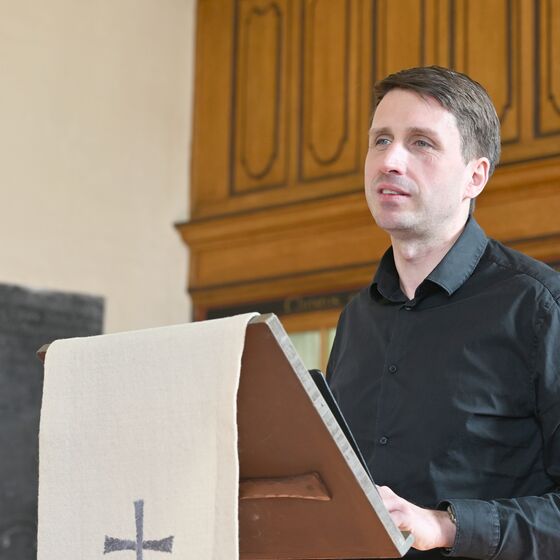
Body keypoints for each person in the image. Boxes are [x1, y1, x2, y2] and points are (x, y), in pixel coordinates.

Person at [326, 66, 560, 559]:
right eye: (381, 140)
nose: (389, 160)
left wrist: (447, 525)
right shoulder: (355, 321)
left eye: (421, 143)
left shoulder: (540, 307)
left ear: (475, 177)